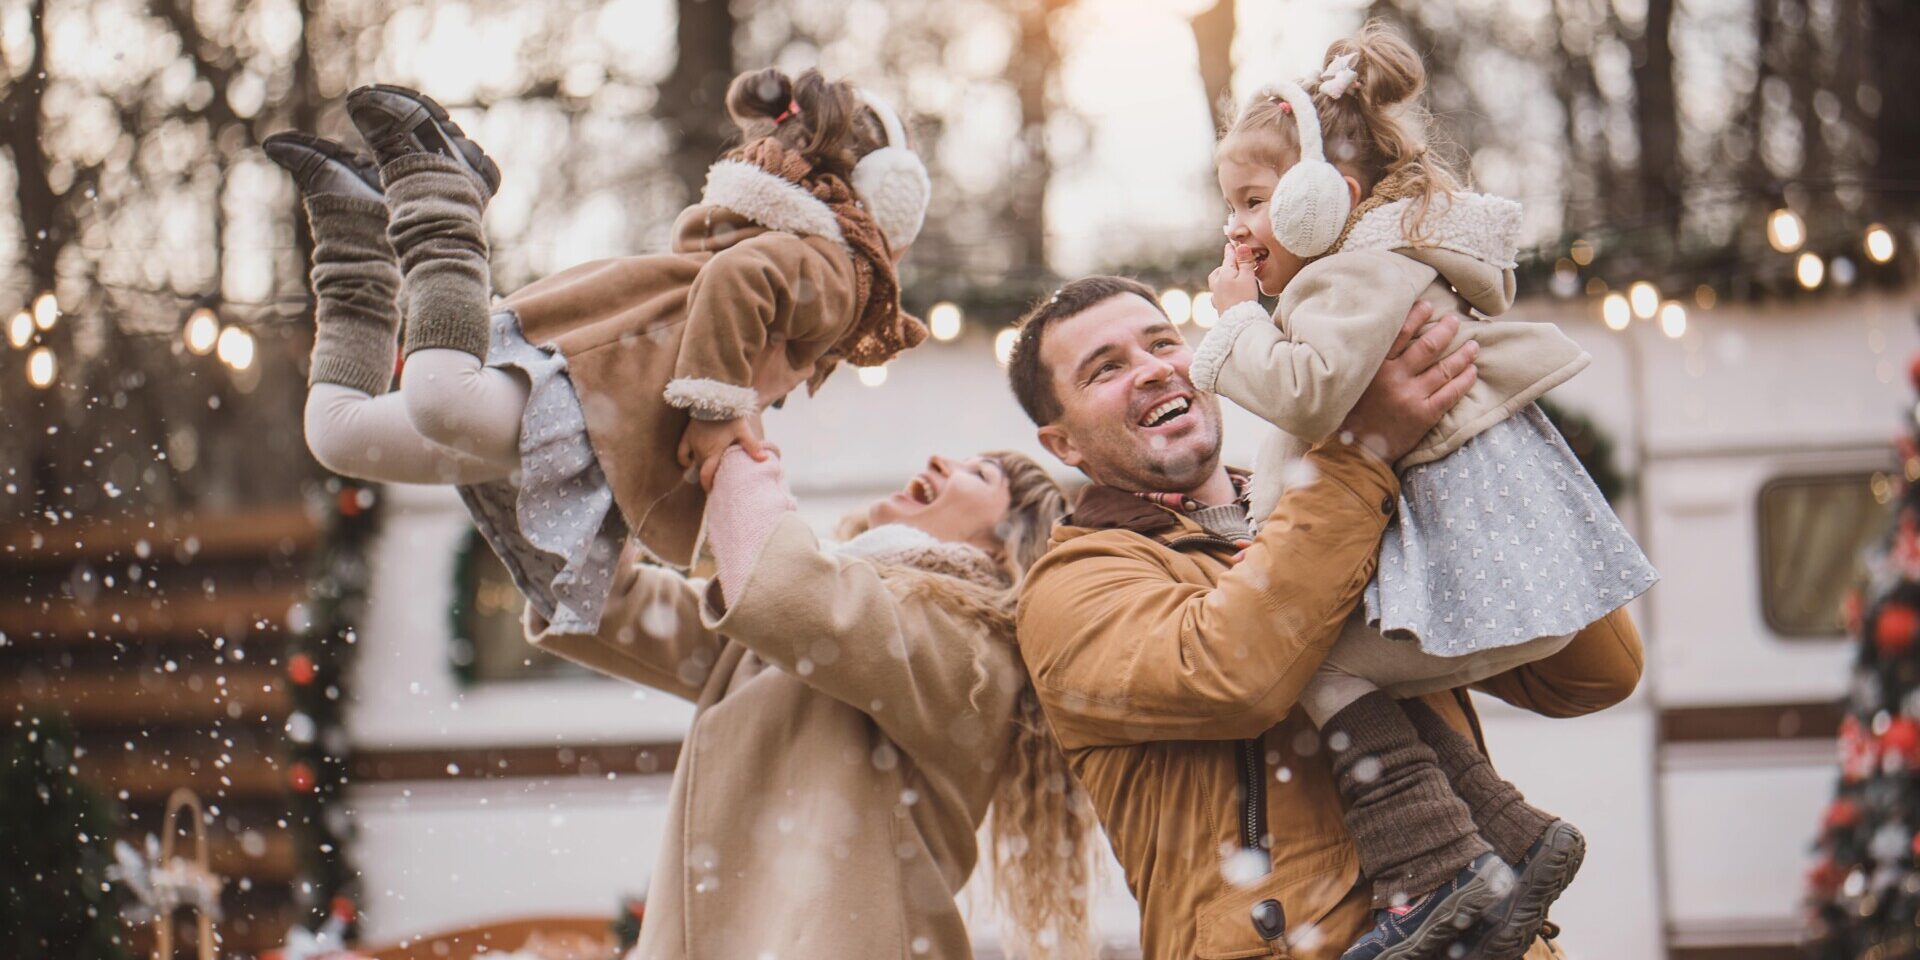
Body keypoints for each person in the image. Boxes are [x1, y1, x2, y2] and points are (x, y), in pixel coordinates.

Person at [1187, 24, 1659, 959]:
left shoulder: (1350, 278)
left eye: (1252, 201)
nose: (1234, 227)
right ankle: (1509, 838)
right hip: (1507, 565)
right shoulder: (1386, 267)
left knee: (1313, 659)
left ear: (1331, 198)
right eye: (1227, 205)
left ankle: (1444, 866)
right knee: (1343, 661)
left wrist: (1238, 323)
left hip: (1488, 574)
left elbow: (1307, 393)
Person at [1007, 275, 1644, 960]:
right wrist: (1362, 452)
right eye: (1106, 369)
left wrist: (1465, 437)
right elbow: (1233, 674)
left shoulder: (1332, 492)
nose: (1153, 369)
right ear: (1063, 444)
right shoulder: (1070, 585)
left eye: (1162, 342)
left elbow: (1593, 676)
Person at [263, 67, 932, 641]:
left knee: (337, 435)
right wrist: (714, 410)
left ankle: (353, 242)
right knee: (440, 401)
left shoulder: (770, 238)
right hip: (596, 394)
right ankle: (442, 189)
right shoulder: (840, 272)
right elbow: (741, 284)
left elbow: (739, 291)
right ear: (885, 203)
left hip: (587, 385)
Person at [525, 440, 1098, 959]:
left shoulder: (970, 645)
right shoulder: (815, 619)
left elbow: (784, 590)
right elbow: (599, 605)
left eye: (979, 475)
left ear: (1006, 549)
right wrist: (563, 444)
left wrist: (734, 442)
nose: (937, 461)